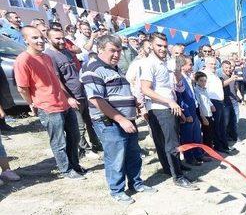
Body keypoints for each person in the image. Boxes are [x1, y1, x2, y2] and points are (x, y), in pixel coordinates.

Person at [81, 34, 156, 204]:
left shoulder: (115, 68)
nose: (116, 54)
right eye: (112, 50)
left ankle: (136, 183)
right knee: (116, 158)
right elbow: (96, 99)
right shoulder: (92, 68)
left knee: (133, 155)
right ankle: (117, 191)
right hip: (110, 123)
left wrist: (133, 101)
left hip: (128, 120)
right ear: (100, 49)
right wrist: (121, 119)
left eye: (119, 51)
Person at [15, 27, 84, 179]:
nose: (40, 41)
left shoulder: (46, 57)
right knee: (59, 142)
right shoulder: (23, 60)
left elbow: (55, 80)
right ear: (26, 40)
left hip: (63, 103)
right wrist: (31, 103)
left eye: (41, 37)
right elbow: (22, 88)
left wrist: (66, 97)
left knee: (74, 136)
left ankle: (75, 165)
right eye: (34, 38)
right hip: (47, 107)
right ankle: (66, 170)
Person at [139, 33, 196, 190]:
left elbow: (178, 87)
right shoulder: (148, 63)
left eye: (165, 46)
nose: (163, 49)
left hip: (170, 106)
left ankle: (171, 168)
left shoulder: (166, 63)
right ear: (151, 45)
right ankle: (177, 176)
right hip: (160, 109)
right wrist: (169, 101)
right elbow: (145, 89)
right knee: (171, 143)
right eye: (159, 46)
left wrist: (177, 74)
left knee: (170, 141)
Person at [45, 27, 103, 159]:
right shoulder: (50, 56)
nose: (61, 41)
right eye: (57, 38)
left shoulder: (66, 51)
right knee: (79, 125)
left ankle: (96, 144)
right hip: (71, 96)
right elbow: (56, 79)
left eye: (62, 38)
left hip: (82, 92)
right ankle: (85, 149)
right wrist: (68, 97)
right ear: (48, 39)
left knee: (91, 121)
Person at [175, 55, 211, 164]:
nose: (192, 66)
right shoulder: (179, 78)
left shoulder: (188, 77)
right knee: (187, 137)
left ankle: (198, 154)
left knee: (196, 135)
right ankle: (189, 158)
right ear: (182, 66)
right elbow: (180, 98)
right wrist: (186, 113)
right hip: (188, 111)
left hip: (194, 109)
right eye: (190, 64)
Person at [203, 57, 232, 152]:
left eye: (215, 64)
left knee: (221, 125)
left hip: (220, 101)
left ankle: (224, 145)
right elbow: (204, 91)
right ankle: (218, 146)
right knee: (216, 126)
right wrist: (210, 104)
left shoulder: (214, 74)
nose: (213, 66)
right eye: (211, 64)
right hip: (213, 102)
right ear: (206, 64)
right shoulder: (204, 74)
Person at [220, 60, 242, 147]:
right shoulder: (221, 76)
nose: (228, 69)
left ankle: (234, 135)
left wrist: (239, 95)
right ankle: (224, 138)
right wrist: (231, 79)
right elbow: (221, 85)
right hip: (225, 102)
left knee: (235, 120)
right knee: (225, 122)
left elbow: (235, 86)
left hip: (234, 101)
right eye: (226, 68)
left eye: (230, 67)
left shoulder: (232, 75)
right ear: (222, 67)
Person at [194, 72, 214, 147]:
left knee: (210, 133)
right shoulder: (196, 91)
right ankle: (206, 150)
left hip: (209, 113)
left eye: (205, 81)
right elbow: (198, 105)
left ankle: (210, 149)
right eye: (201, 80)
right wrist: (203, 118)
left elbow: (208, 100)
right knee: (205, 134)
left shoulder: (205, 90)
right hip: (203, 115)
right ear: (196, 81)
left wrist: (212, 106)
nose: (203, 82)